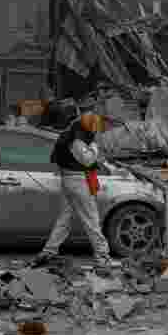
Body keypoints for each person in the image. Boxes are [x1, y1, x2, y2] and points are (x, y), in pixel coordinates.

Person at [32, 113, 120, 270]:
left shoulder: (71, 134)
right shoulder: (78, 140)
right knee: (91, 219)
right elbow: (88, 160)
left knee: (65, 219)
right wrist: (94, 146)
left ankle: (48, 252)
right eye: (95, 128)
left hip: (70, 180)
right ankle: (102, 257)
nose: (97, 131)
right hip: (79, 182)